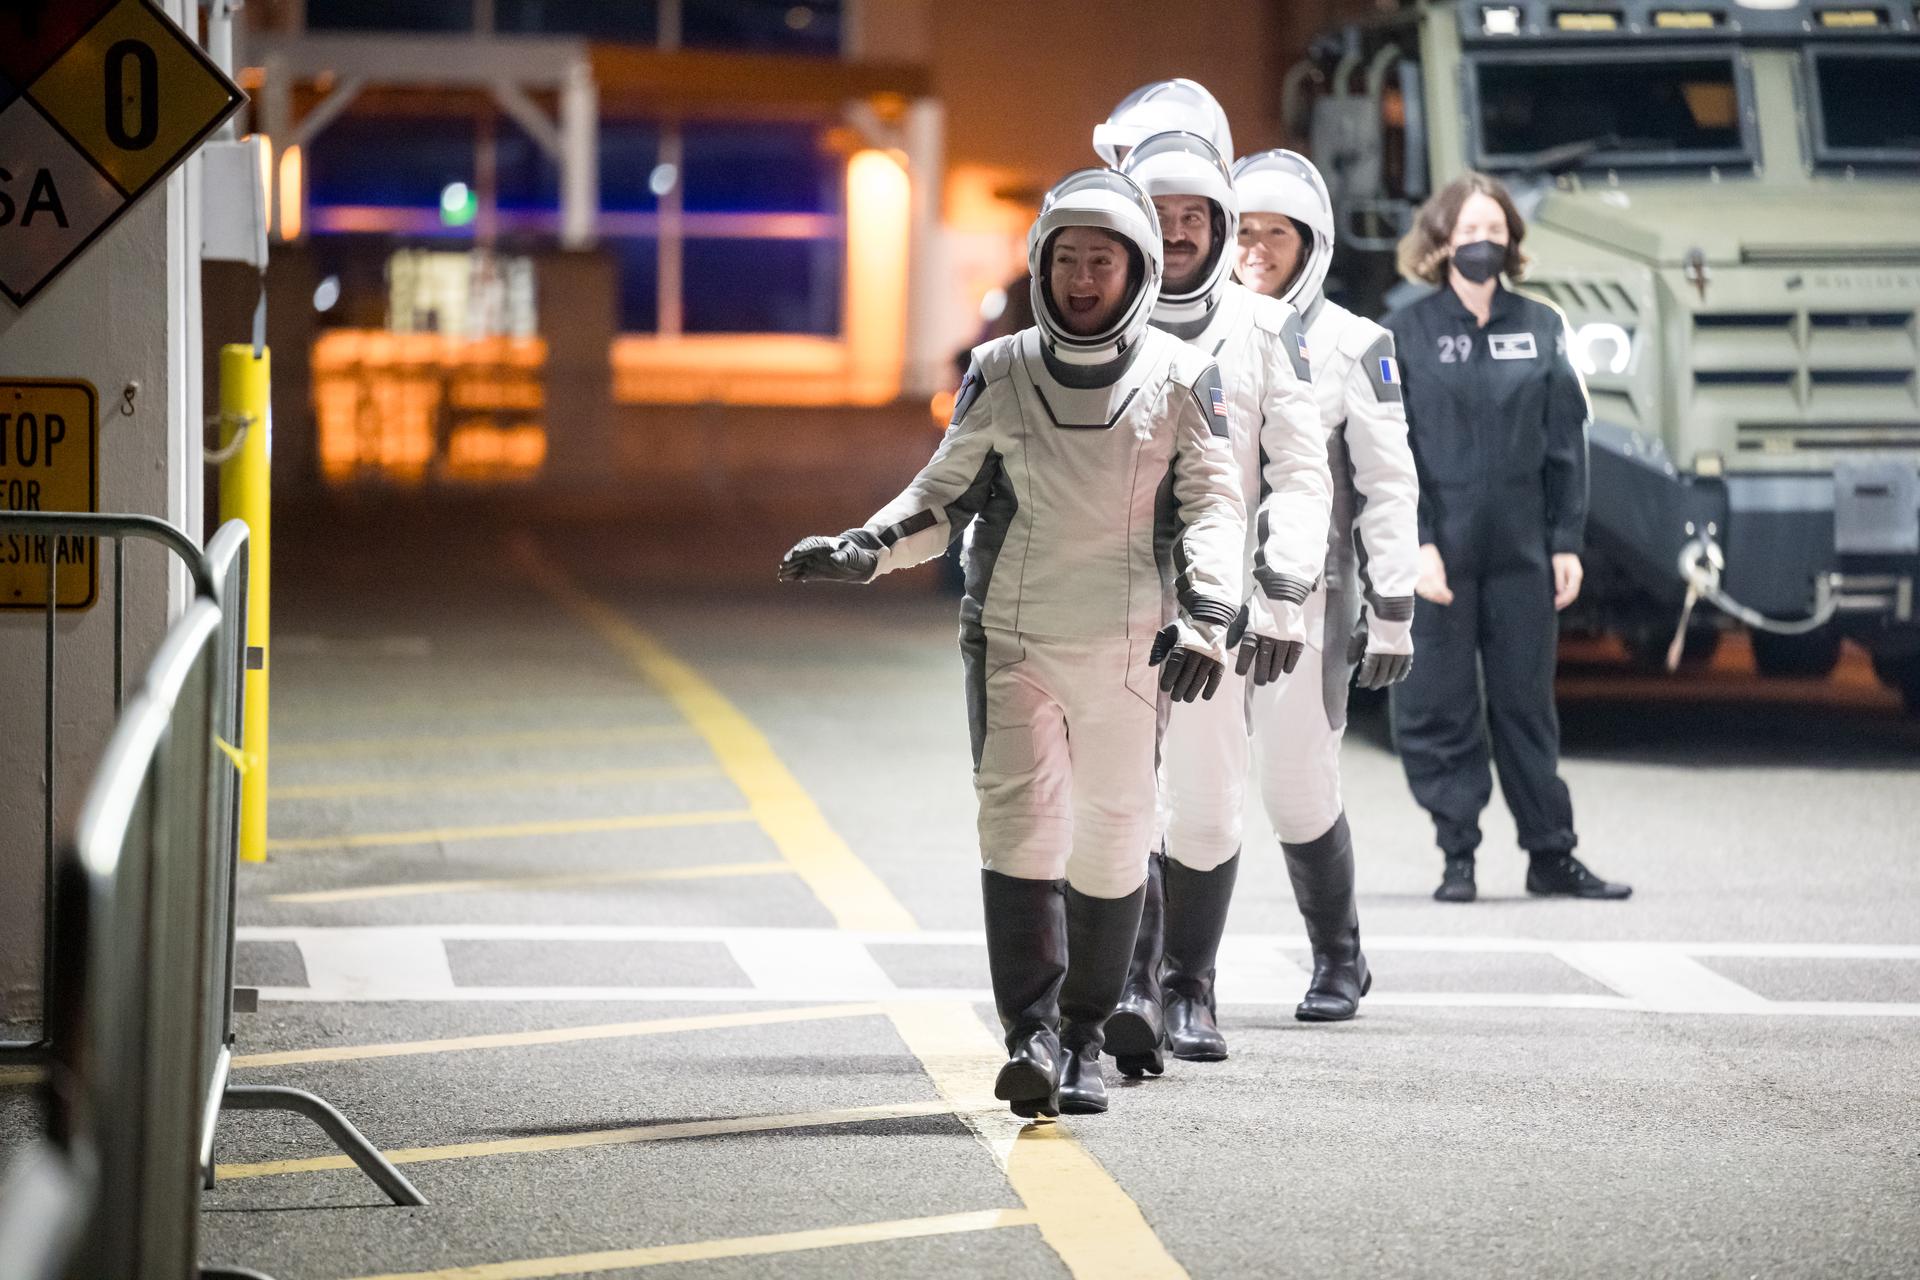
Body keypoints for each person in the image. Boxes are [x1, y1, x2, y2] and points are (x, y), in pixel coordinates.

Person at [779, 168, 1246, 1118]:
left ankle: (1084, 1036)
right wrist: (863, 549)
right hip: (1014, 640)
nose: (1082, 278)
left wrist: (1208, 618)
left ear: (1138, 272)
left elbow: (1215, 510)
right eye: (1067, 259)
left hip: (1131, 646)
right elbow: (942, 498)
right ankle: (1028, 1034)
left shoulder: (1184, 375)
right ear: (1040, 265)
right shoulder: (1000, 370)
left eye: (1101, 262)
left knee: (1116, 835)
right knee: (1018, 830)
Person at [1097, 113, 1332, 1075]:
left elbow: (1302, 477)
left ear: (1225, 223)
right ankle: (1126, 987)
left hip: (1217, 607)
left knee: (1202, 803)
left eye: (1198, 212)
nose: (1182, 227)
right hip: (1104, 604)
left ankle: (1191, 986)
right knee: (1112, 804)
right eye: (1163, 212)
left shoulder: (1269, 330)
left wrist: (1280, 596)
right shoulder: (1089, 321)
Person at [1383, 172, 1631, 903]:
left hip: (1523, 550)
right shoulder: (1406, 331)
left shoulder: (1543, 325)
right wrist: (1417, 540)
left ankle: (1551, 854)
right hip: (1442, 553)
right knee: (1439, 703)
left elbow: (1566, 443)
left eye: (1495, 232)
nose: (1483, 243)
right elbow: (1393, 448)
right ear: (1440, 243)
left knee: (1526, 703)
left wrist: (1565, 540)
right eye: (1469, 232)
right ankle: (1457, 852)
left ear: (1512, 242)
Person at [1224, 147, 1422, 1022]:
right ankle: (1164, 975)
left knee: (1296, 784)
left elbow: (1389, 484)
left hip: (1309, 602)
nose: (1258, 247)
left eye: (1278, 233)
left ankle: (1339, 958)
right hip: (1192, 597)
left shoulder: (1357, 345)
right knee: (1176, 793)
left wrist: (1394, 609)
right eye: (1244, 230)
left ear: (1315, 244)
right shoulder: (1187, 332)